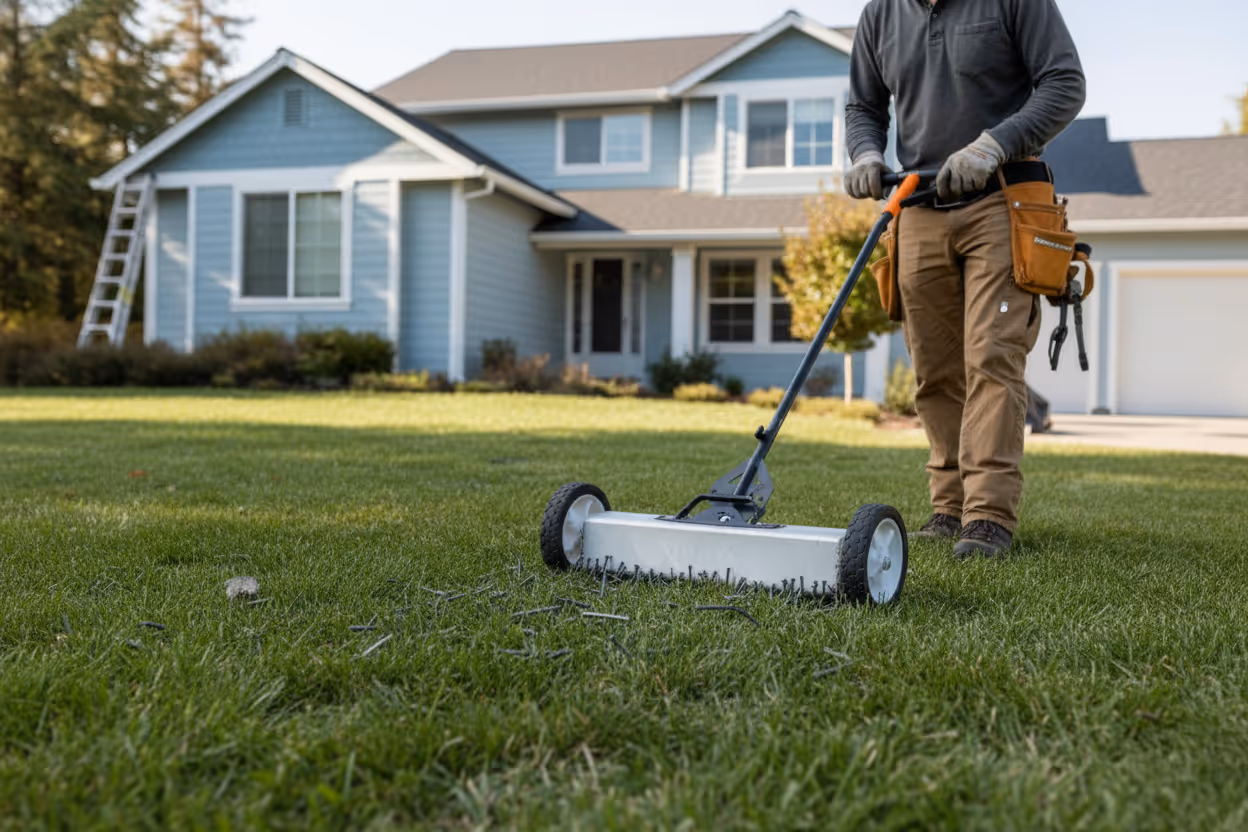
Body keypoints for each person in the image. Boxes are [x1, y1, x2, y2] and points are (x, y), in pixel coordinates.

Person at [844, 0, 1086, 557]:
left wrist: (993, 144)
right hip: (919, 205)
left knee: (992, 356)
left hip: (1001, 199)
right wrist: (863, 153)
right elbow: (864, 104)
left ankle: (988, 517)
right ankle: (948, 508)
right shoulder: (881, 13)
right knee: (933, 368)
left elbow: (1065, 83)